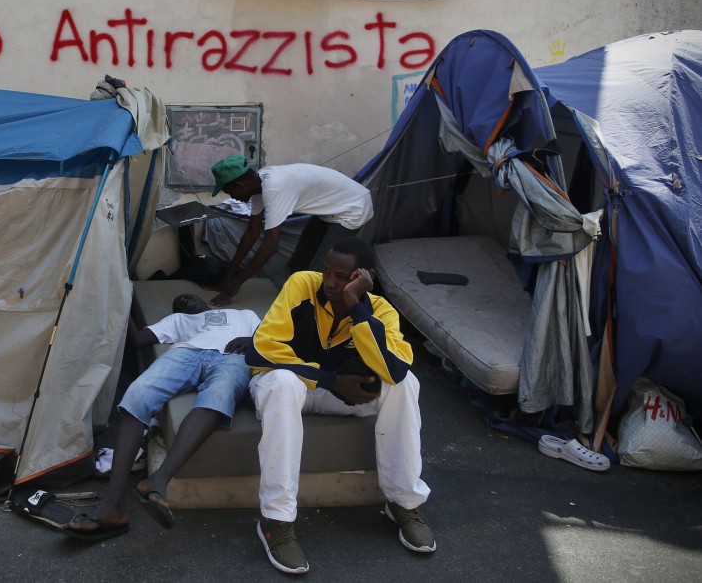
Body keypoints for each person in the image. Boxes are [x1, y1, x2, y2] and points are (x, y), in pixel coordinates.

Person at [247, 237, 434, 573]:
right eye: (327, 273)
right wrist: (331, 380)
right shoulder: (301, 284)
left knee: (405, 383)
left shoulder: (380, 311)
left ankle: (403, 502)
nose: (330, 282)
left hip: (336, 397)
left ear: (364, 277)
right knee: (284, 382)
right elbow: (259, 351)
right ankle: (276, 519)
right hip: (288, 391)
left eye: (343, 277)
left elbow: (393, 369)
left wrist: (355, 305)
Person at [64, 293, 260, 540]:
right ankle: (112, 506)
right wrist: (120, 294)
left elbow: (273, 335)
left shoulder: (244, 314)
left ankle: (159, 480)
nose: (184, 300)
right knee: (138, 392)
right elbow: (135, 341)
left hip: (233, 357)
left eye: (187, 297)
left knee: (219, 395)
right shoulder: (177, 320)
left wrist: (253, 341)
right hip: (186, 353)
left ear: (204, 299)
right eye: (178, 302)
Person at [208, 155, 373, 305]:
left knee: (318, 273)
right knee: (298, 263)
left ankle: (318, 310)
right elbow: (252, 232)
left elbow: (271, 246)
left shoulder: (273, 187)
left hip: (352, 208)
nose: (232, 197)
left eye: (230, 192)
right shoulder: (259, 185)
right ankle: (298, 300)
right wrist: (229, 275)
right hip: (330, 210)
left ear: (240, 185)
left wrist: (237, 283)